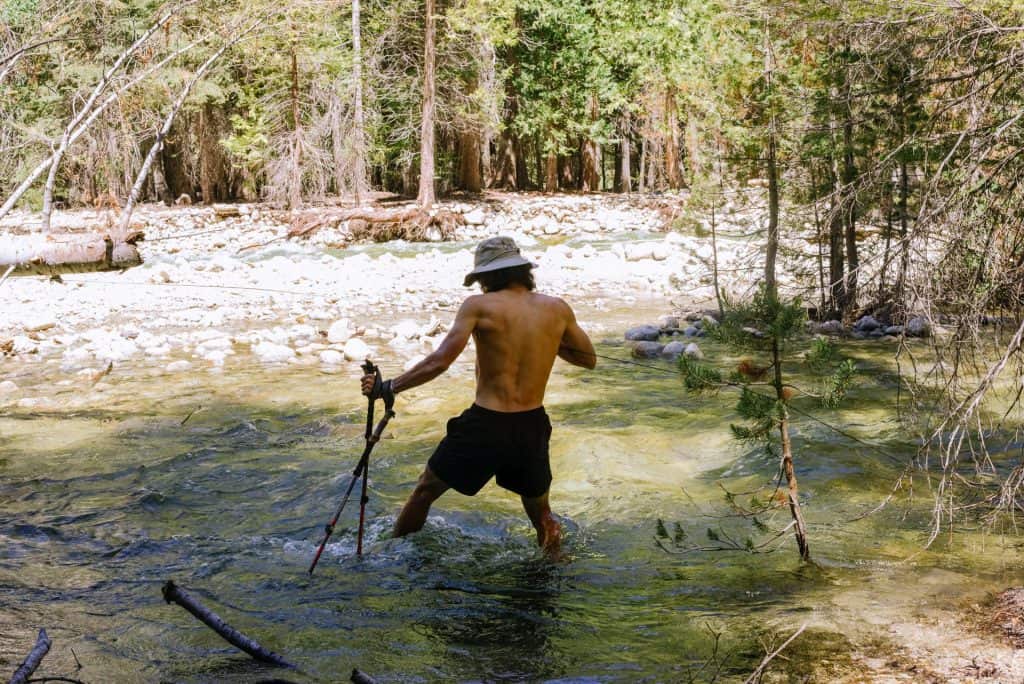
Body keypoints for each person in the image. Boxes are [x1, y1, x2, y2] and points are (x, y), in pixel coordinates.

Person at [361, 236, 595, 553]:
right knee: (541, 513)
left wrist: (389, 387)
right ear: (523, 271)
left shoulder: (478, 306)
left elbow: (439, 361)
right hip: (531, 426)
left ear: (487, 276)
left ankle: (391, 556)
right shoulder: (557, 308)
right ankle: (553, 572)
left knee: (425, 491)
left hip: (486, 425)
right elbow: (588, 359)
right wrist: (548, 340)